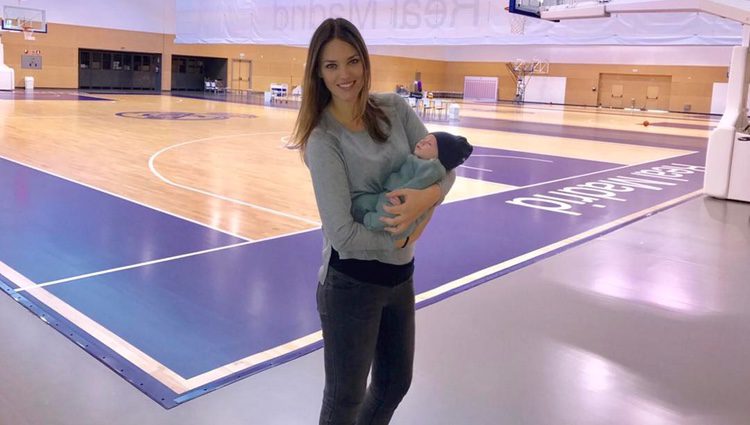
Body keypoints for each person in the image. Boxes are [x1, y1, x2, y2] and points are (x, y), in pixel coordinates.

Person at [289, 17, 456, 425]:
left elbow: (445, 164)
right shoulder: (323, 140)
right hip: (350, 284)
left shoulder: (395, 110)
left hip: (400, 279)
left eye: (352, 61)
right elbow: (342, 234)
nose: (344, 74)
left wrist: (427, 198)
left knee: (395, 383)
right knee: (345, 399)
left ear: (364, 62)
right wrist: (405, 236)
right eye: (331, 66)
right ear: (318, 72)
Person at [351, 131, 472, 238]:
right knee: (362, 203)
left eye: (428, 144)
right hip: (387, 192)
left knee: (384, 217)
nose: (422, 142)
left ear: (437, 157)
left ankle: (368, 221)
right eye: (424, 139)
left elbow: (415, 186)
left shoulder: (431, 169)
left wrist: (399, 195)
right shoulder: (419, 160)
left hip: (395, 197)